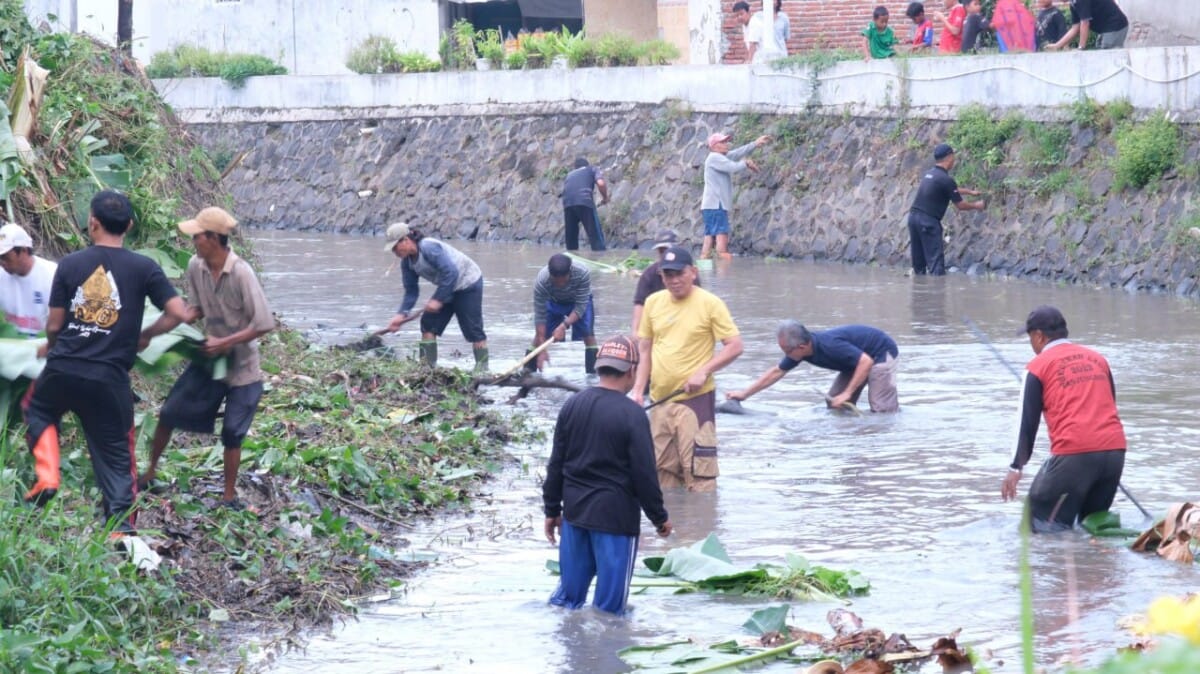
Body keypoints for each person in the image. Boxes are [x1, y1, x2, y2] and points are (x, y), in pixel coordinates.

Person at [21, 190, 188, 533]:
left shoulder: (70, 264)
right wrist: (147, 336)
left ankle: (49, 474)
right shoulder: (145, 268)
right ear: (128, 225)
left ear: (92, 222)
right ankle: (121, 532)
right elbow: (178, 313)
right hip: (109, 381)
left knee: (37, 409)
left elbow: (54, 325)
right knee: (116, 458)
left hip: (63, 369)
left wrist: (53, 347)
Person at [140, 207, 275, 510]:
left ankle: (228, 497)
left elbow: (264, 323)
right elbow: (196, 309)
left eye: (197, 236)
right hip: (210, 358)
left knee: (232, 432)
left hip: (242, 364)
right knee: (169, 412)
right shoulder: (195, 266)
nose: (193, 241)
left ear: (214, 238)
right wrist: (157, 330)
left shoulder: (241, 272)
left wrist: (225, 341)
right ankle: (149, 472)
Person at [543, 334, 672, 616]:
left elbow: (556, 464)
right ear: (632, 371)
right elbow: (645, 476)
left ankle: (568, 655)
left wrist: (551, 510)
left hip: (574, 516)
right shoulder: (633, 415)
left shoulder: (572, 405)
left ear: (599, 368)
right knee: (610, 611)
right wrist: (659, 518)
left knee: (567, 600)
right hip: (615, 522)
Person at [1001, 306, 1127, 533]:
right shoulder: (1098, 359)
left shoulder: (1036, 367)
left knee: (1037, 527)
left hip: (1074, 454)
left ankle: (1057, 566)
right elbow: (1109, 405)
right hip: (1115, 451)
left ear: (1038, 336)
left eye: (1030, 338)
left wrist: (1015, 466)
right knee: (1092, 528)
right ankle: (1097, 566)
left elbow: (1026, 423)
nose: (1031, 344)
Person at [633, 246, 743, 492]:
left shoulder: (710, 303)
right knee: (662, 474)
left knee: (699, 475)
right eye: (667, 275)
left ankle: (701, 526)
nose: (673, 281)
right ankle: (675, 523)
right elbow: (645, 349)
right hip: (660, 400)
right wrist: (639, 390)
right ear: (661, 277)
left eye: (679, 274)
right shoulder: (653, 302)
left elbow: (735, 346)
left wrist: (704, 371)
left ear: (693, 272)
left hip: (695, 400)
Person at [728, 321, 900, 413]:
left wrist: (847, 393)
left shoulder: (831, 346)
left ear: (801, 347)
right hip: (854, 360)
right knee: (834, 403)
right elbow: (776, 372)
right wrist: (744, 394)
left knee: (882, 410)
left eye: (786, 351)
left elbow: (866, 362)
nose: (786, 356)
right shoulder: (798, 352)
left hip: (880, 353)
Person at [383, 222, 488, 371]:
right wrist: (401, 314)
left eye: (395, 247)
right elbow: (411, 291)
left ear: (406, 240)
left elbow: (451, 273)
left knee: (474, 331)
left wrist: (437, 300)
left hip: (468, 283)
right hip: (447, 287)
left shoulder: (428, 248)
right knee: (428, 324)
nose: (394, 251)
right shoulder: (407, 263)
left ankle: (482, 370)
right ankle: (426, 369)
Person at [906, 143, 985, 276]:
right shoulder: (945, 179)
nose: (954, 158)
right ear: (948, 157)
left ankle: (919, 292)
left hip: (913, 219)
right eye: (953, 155)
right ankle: (938, 292)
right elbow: (960, 205)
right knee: (936, 265)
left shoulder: (929, 174)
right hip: (928, 222)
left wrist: (970, 192)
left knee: (919, 264)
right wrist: (977, 205)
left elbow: (949, 189)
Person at [700, 131, 770, 260]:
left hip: (710, 206)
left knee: (709, 240)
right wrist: (746, 163)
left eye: (727, 141)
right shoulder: (715, 157)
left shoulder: (719, 157)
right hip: (716, 205)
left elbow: (737, 153)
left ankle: (705, 275)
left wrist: (755, 144)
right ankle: (723, 278)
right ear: (714, 146)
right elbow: (732, 167)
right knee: (722, 249)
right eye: (723, 142)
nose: (727, 144)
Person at [530, 253, 597, 374]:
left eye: (564, 281)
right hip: (553, 301)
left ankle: (592, 378)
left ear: (570, 272)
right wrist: (542, 348)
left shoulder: (582, 273)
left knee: (588, 334)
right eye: (556, 282)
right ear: (551, 275)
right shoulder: (542, 281)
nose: (560, 285)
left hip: (577, 301)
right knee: (541, 336)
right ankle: (528, 372)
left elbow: (581, 306)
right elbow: (540, 316)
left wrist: (564, 325)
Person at [0, 223, 57, 352]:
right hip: (10, 346)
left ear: (24, 250)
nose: (2, 262)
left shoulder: (51, 275)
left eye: (5, 257)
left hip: (44, 347)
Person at [631, 229, 701, 335]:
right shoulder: (648, 275)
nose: (665, 255)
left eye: (667, 250)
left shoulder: (689, 274)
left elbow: (697, 306)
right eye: (661, 251)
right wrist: (636, 335)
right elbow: (639, 308)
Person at [562, 158, 609, 252]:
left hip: (567, 204)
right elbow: (601, 183)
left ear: (575, 167)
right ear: (587, 165)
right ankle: (600, 258)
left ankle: (572, 261)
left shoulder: (569, 175)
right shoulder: (592, 169)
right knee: (595, 236)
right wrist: (605, 198)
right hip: (584, 201)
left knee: (571, 240)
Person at [1045, 0, 1128, 51]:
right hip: (1105, 29)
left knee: (1107, 54)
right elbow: (1075, 27)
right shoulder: (1073, 4)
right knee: (1100, 54)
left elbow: (1085, 23)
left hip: (1115, 25)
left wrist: (1081, 47)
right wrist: (1057, 45)